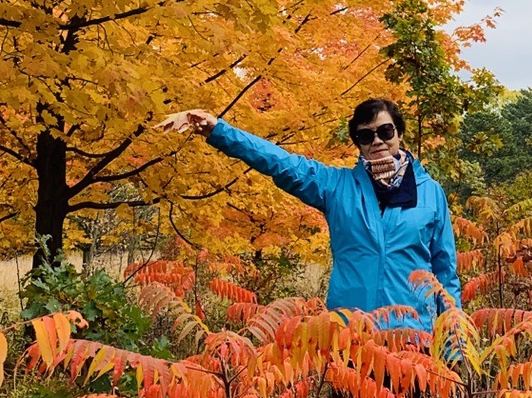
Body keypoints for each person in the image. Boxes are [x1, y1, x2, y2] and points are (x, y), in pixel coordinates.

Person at [158, 96, 461, 332]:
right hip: (351, 337)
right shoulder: (337, 187)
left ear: (399, 134)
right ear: (358, 144)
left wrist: (455, 343)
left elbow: (446, 274)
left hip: (412, 340)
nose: (377, 140)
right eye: (366, 136)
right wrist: (218, 130)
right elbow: (279, 161)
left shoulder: (431, 193)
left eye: (385, 131)